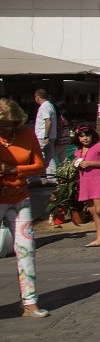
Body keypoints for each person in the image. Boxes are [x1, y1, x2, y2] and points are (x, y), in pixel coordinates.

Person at [0, 99, 51, 318]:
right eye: (2, 124)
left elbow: (39, 165)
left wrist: (14, 169)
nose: (6, 128)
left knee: (26, 248)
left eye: (10, 124)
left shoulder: (27, 135)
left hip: (20, 198)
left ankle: (30, 302)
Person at [72, 126, 100, 247]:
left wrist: (91, 163)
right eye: (82, 136)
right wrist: (76, 164)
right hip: (85, 182)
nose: (85, 138)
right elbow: (78, 163)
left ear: (92, 136)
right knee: (92, 210)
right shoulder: (78, 151)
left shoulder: (99, 147)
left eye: (87, 135)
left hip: (98, 180)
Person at [33, 88, 59, 178]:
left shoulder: (44, 107)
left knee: (35, 156)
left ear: (38, 97)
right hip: (51, 136)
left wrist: (45, 136)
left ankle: (35, 179)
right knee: (50, 158)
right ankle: (51, 179)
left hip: (42, 136)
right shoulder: (50, 106)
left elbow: (48, 121)